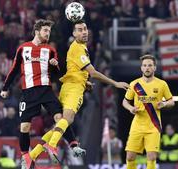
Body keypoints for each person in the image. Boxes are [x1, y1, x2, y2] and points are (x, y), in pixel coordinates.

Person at [30, 20, 129, 164]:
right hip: (73, 88)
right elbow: (93, 73)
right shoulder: (78, 48)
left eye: (85, 29)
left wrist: (85, 81)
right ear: (74, 33)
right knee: (68, 119)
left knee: (62, 124)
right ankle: (51, 146)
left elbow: (75, 69)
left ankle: (33, 154)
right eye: (80, 30)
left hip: (70, 86)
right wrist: (115, 83)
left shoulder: (80, 48)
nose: (84, 32)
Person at [0, 19, 85, 169]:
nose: (48, 34)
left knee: (61, 118)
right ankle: (26, 157)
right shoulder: (23, 48)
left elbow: (57, 74)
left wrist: (55, 65)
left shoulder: (50, 50)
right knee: (24, 127)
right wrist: (5, 88)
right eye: (45, 31)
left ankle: (73, 145)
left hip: (46, 90)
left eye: (49, 31)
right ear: (37, 31)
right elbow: (13, 70)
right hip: (28, 92)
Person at [122, 54, 175, 169]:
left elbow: (172, 101)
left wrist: (164, 103)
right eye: (145, 65)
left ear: (154, 68)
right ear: (141, 68)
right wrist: (130, 108)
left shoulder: (162, 84)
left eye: (150, 65)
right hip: (137, 125)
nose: (147, 68)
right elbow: (125, 102)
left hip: (153, 126)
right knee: (130, 157)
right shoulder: (134, 84)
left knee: (151, 157)